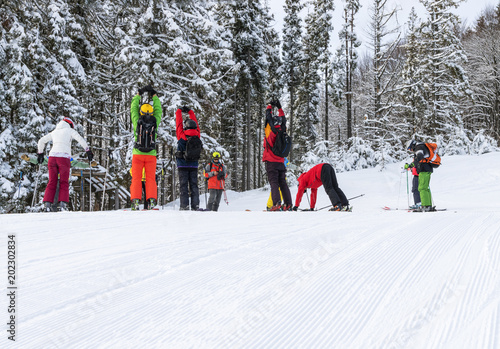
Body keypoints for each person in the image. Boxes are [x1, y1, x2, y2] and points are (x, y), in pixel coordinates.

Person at [37, 117, 93, 211]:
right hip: (63, 158)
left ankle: (47, 206)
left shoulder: (54, 132)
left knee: (52, 181)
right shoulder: (70, 131)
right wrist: (88, 151)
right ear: (70, 124)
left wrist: (40, 153)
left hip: (52, 157)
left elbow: (41, 141)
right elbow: (80, 139)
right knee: (64, 182)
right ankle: (62, 205)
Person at [130, 85, 162, 211]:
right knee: (150, 178)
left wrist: (138, 94)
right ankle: (152, 201)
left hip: (137, 154)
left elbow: (133, 108)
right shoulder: (155, 121)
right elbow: (159, 110)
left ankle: (135, 201)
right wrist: (154, 96)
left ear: (140, 112)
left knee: (137, 178)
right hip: (151, 154)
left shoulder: (137, 120)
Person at [262, 100, 292, 211]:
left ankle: (276, 203)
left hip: (271, 161)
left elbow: (268, 117)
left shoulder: (270, 131)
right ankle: (288, 204)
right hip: (281, 162)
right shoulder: (282, 129)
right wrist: (279, 108)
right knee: (283, 183)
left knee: (274, 182)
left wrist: (269, 106)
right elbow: (283, 119)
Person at [176, 106, 201, 210]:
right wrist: (190, 112)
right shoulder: (197, 135)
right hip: (194, 164)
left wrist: (179, 111)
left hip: (182, 164)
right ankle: (195, 205)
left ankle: (184, 206)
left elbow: (178, 124)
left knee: (183, 186)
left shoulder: (182, 135)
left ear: (185, 127)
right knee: (194, 185)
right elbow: (196, 124)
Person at [406, 140, 435, 212]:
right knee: (425, 188)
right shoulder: (422, 146)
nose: (411, 150)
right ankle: (428, 205)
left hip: (424, 170)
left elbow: (420, 156)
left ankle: (425, 206)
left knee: (422, 188)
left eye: (410, 148)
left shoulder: (419, 147)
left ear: (412, 145)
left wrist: (412, 164)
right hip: (426, 169)